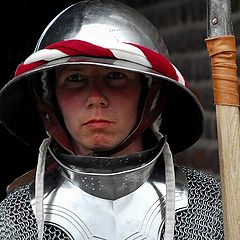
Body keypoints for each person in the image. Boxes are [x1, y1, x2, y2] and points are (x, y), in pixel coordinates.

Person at [0, 0, 223, 239]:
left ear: (150, 94)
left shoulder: (215, 208)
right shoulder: (14, 221)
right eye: (75, 78)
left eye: (115, 76)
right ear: (51, 98)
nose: (96, 98)